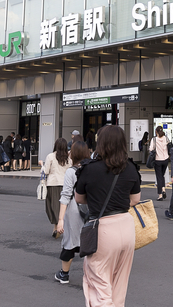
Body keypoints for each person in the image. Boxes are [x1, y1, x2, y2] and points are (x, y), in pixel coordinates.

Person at [74, 125, 141, 306]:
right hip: (126, 227)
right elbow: (135, 199)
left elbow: (79, 198)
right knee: (120, 282)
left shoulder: (89, 169)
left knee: (99, 283)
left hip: (102, 229)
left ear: (101, 143)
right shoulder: (130, 168)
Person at [54, 141, 91, 284]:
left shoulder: (71, 171)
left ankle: (64, 274)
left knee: (70, 242)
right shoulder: (92, 169)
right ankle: (91, 276)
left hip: (75, 211)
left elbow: (66, 196)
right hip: (91, 210)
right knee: (90, 243)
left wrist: (60, 219)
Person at [43, 138, 71, 238]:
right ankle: (61, 227)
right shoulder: (68, 158)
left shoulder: (50, 156)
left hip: (53, 183)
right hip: (65, 184)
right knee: (64, 206)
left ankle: (56, 227)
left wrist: (41, 165)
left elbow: (46, 171)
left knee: (53, 206)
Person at [150, 126, 170, 201]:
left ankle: (160, 195)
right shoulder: (166, 138)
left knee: (159, 177)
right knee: (162, 175)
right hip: (165, 159)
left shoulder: (154, 139)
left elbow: (151, 149)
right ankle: (163, 189)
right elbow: (169, 146)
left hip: (158, 160)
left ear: (156, 131)